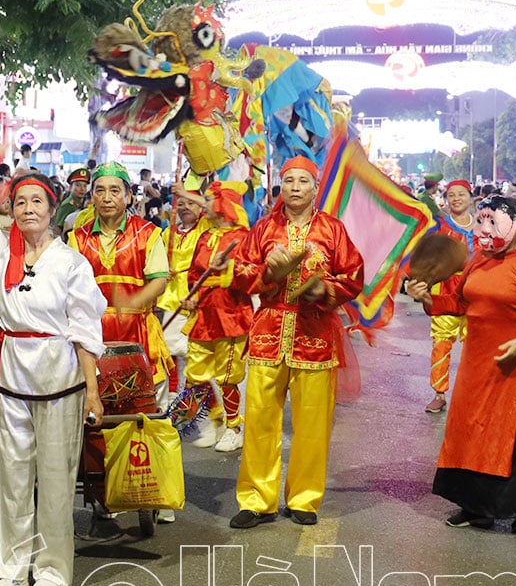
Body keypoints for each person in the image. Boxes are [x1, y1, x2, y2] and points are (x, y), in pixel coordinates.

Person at [0, 146, 105, 586]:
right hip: (14, 373)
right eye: (20, 202)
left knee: (56, 475)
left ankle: (52, 567)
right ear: (10, 210)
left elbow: (85, 332)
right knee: (12, 473)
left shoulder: (72, 262)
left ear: (53, 211)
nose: (28, 209)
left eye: (37, 202)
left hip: (61, 377)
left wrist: (92, 392)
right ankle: (12, 567)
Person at [407, 196, 516, 533]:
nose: (484, 229)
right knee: (470, 432)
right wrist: (427, 298)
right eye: (483, 221)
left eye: (493, 222)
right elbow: (459, 302)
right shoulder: (477, 260)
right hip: (476, 362)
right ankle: (474, 506)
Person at [229, 156, 364, 528]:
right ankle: (257, 499)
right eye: (288, 181)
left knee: (312, 423)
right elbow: (240, 273)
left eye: (302, 181)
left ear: (314, 187)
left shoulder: (332, 230)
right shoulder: (263, 228)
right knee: (258, 420)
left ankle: (304, 498)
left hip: (315, 335)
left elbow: (353, 275)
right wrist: (266, 271)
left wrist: (324, 288)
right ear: (281, 187)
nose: (294, 187)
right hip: (269, 331)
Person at [69, 162, 172, 398]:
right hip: (92, 336)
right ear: (92, 196)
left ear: (128, 198)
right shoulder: (76, 239)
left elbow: (159, 281)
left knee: (145, 413)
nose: (107, 198)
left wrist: (132, 302)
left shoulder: (148, 233)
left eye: (115, 191)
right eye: (100, 190)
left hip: (138, 332)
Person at [176, 180, 254, 453]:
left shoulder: (243, 239)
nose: (202, 205)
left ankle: (234, 428)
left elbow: (253, 276)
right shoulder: (205, 237)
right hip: (204, 315)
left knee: (227, 377)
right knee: (195, 375)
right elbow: (194, 275)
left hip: (231, 315)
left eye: (208, 200)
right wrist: (192, 297)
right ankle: (216, 420)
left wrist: (230, 266)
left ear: (223, 204)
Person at [426, 179, 478, 414]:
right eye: (452, 195)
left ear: (470, 197)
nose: (456, 199)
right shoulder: (439, 227)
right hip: (445, 287)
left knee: (474, 345)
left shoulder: (483, 225)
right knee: (442, 343)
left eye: (461, 194)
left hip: (476, 291)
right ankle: (439, 393)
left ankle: (472, 391)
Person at [156, 180, 206, 406]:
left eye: (191, 203)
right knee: (169, 347)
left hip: (197, 297)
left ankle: (194, 398)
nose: (186, 206)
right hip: (172, 298)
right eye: (181, 203)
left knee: (195, 352)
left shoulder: (206, 228)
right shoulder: (169, 232)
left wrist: (183, 192)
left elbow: (213, 205)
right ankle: (173, 393)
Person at [52, 168, 89, 236]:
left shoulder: (85, 203)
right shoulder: (67, 205)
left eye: (85, 186)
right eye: (78, 185)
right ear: (70, 187)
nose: (82, 189)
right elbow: (58, 228)